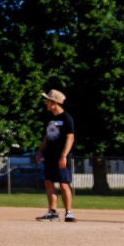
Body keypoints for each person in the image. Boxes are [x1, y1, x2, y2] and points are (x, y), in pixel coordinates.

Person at [35, 90, 77, 223]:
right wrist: (40, 151)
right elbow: (47, 136)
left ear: (54, 102)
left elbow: (70, 138)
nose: (46, 103)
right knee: (48, 182)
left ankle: (68, 213)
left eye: (48, 101)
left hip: (61, 156)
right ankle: (52, 212)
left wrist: (64, 156)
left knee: (64, 184)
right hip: (50, 155)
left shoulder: (66, 118)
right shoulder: (49, 117)